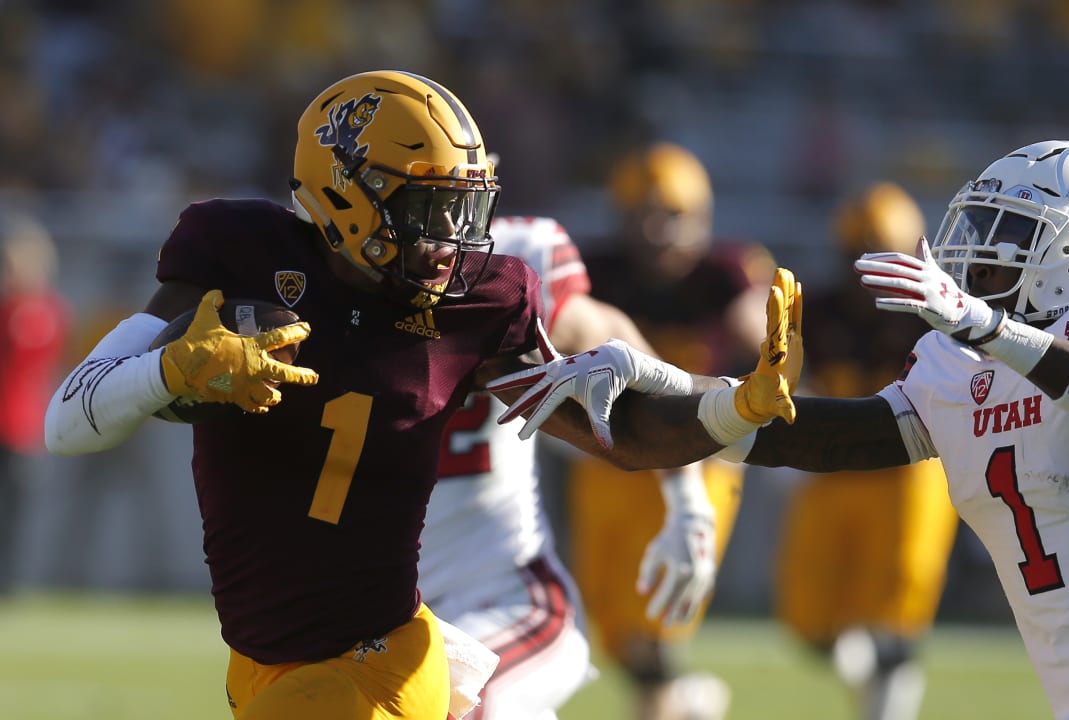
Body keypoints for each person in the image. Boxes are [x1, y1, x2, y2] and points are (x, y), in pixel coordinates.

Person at [42, 70, 744, 720]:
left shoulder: (506, 271)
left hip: (487, 594)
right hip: (339, 623)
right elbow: (71, 417)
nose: (452, 237)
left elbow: (620, 383)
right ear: (350, 193)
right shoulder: (261, 264)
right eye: (430, 205)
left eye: (465, 203)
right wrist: (168, 373)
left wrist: (699, 477)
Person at [491, 140, 1069, 719]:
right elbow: (820, 436)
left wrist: (987, 324)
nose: (981, 250)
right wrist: (667, 383)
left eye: (1017, 233)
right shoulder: (961, 365)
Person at [419, 215, 720, 719]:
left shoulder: (508, 264)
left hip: (500, 589)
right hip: (377, 603)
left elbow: (622, 353)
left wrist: (689, 500)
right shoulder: (307, 278)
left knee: (461, 704)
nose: (442, 215)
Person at [566, 140, 774, 720]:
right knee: (612, 628)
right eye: (645, 216)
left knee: (654, 625)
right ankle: (687, 704)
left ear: (701, 217)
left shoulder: (725, 274)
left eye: (673, 216)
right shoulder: (600, 271)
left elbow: (756, 330)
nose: (659, 231)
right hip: (611, 461)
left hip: (693, 461)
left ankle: (673, 700)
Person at [774, 182, 956, 720]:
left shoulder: (935, 317)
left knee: (896, 610)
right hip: (832, 471)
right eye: (862, 256)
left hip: (908, 474)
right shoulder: (820, 311)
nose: (873, 276)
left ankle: (888, 698)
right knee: (807, 619)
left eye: (886, 257)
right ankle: (874, 672)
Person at [0, 209, 71, 594]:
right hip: (10, 422)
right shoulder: (9, 309)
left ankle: (10, 583)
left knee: (17, 513)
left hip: (23, 426)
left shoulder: (51, 311)